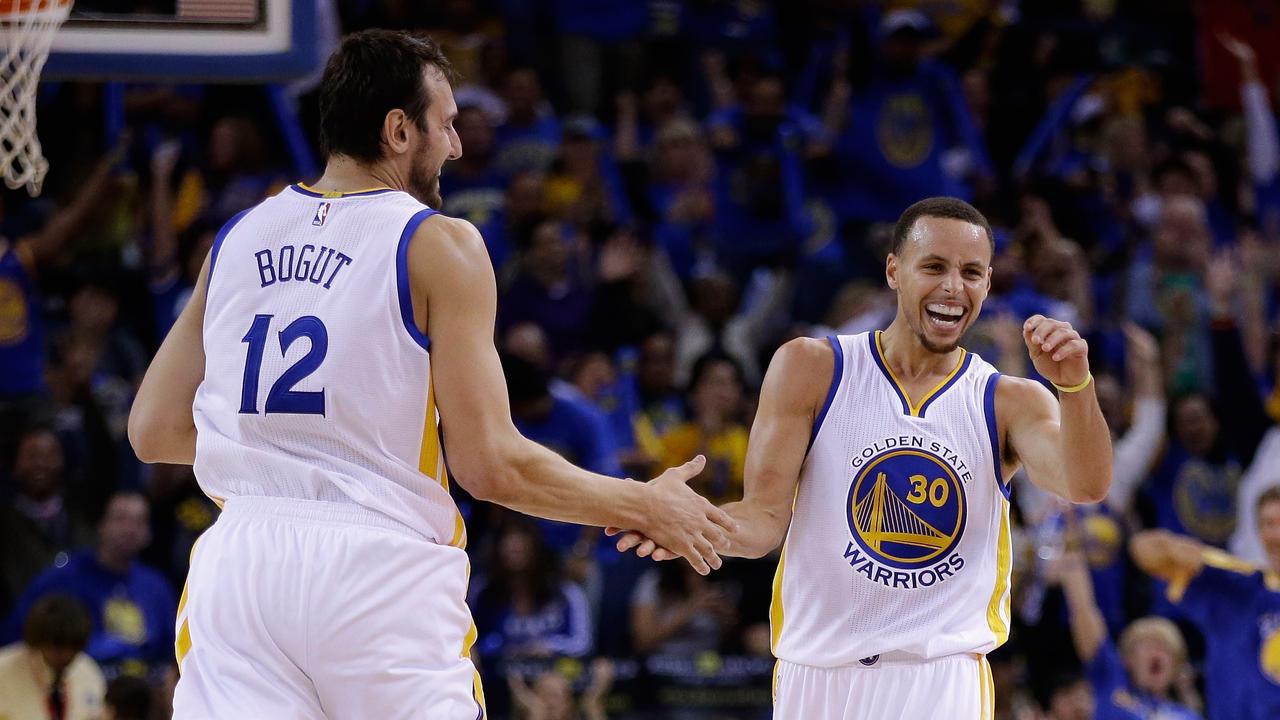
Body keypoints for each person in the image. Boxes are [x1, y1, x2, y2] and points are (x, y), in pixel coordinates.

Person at [126, 30, 735, 719]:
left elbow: (152, 430)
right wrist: (642, 503)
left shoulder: (236, 238)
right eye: (445, 124)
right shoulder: (438, 243)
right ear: (398, 130)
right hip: (373, 567)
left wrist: (288, 458)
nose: (458, 145)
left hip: (238, 568)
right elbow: (489, 465)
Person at [614, 196, 1113, 718]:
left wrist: (1075, 385)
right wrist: (687, 521)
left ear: (987, 283)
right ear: (894, 271)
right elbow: (763, 520)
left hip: (939, 679)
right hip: (816, 675)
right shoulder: (811, 367)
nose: (952, 287)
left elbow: (1086, 484)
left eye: (971, 272)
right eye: (934, 266)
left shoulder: (1010, 400)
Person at [1130, 486, 1280, 720]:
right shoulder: (1236, 583)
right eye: (1269, 524)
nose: (1277, 535)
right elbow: (1142, 550)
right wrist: (1176, 548)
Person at [4, 492, 177, 679]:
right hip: (76, 687)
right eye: (120, 519)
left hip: (143, 694)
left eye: (138, 521)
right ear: (101, 525)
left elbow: (173, 653)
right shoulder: (61, 579)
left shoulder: (157, 586)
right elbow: (16, 638)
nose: (129, 529)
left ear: (148, 534)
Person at [1050, 550, 1200, 719]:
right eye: (1148, 646)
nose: (1157, 652)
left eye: (1166, 649)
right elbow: (1084, 612)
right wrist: (1073, 570)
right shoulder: (1110, 682)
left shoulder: (1188, 716)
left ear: (1175, 668)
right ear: (1127, 659)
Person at [0, 594, 106, 720]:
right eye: (57, 647)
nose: (66, 656)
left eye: (73, 648)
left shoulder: (88, 672)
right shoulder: (3, 669)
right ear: (38, 639)